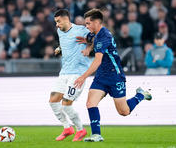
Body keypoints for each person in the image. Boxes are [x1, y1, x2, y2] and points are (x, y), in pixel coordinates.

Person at [74, 8, 152, 142]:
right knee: (90, 103)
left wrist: (83, 77)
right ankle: (96, 134)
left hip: (115, 76)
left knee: (124, 112)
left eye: (88, 23)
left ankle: (140, 95)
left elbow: (97, 61)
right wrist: (88, 46)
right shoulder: (98, 34)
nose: (86, 26)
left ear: (97, 22)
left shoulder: (103, 36)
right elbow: (93, 40)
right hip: (101, 77)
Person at [49, 9, 89, 141]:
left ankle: (81, 130)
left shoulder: (81, 30)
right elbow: (65, 42)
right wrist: (59, 48)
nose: (57, 25)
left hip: (77, 73)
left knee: (66, 104)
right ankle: (67, 128)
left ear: (66, 19)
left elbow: (96, 38)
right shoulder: (60, 31)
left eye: (58, 21)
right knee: (53, 101)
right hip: (64, 72)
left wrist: (89, 48)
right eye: (56, 22)